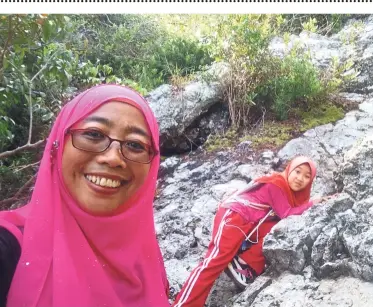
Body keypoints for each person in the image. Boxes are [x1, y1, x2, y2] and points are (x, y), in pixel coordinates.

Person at [0, 84, 170, 306]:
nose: (113, 158)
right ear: (58, 146)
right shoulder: (8, 249)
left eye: (135, 145)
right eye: (93, 134)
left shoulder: (146, 261)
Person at [172, 156, 333, 307]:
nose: (300, 178)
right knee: (213, 263)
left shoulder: (290, 193)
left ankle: (242, 263)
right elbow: (286, 213)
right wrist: (313, 203)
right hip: (234, 217)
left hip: (246, 221)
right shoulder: (277, 183)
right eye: (297, 172)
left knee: (278, 227)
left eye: (306, 176)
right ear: (289, 169)